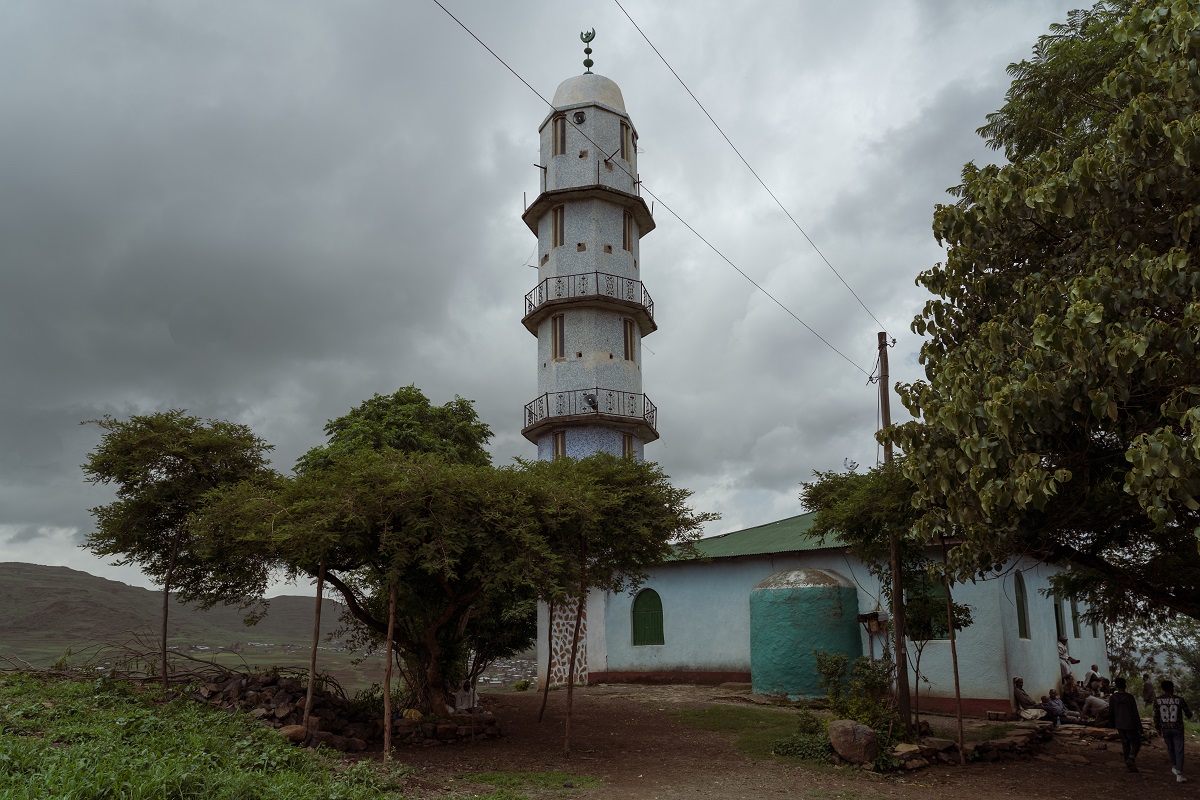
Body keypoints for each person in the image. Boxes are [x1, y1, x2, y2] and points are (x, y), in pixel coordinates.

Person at [1154, 679, 1195, 783]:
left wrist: (1157, 727)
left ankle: (1175, 767)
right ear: (1172, 688)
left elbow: (1156, 716)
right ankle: (1179, 773)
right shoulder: (1179, 699)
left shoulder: (1157, 700)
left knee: (1170, 748)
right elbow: (1188, 714)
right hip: (1177, 727)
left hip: (1165, 728)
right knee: (1179, 750)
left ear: (1163, 689)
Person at [1110, 677, 1141, 772]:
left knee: (1125, 744)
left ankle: (1129, 766)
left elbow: (1111, 712)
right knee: (1136, 743)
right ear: (1125, 685)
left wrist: (1112, 723)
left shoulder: (1113, 698)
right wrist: (1139, 726)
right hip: (1130, 723)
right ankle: (1131, 759)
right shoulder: (1129, 697)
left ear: (1116, 686)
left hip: (1119, 723)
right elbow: (1135, 713)